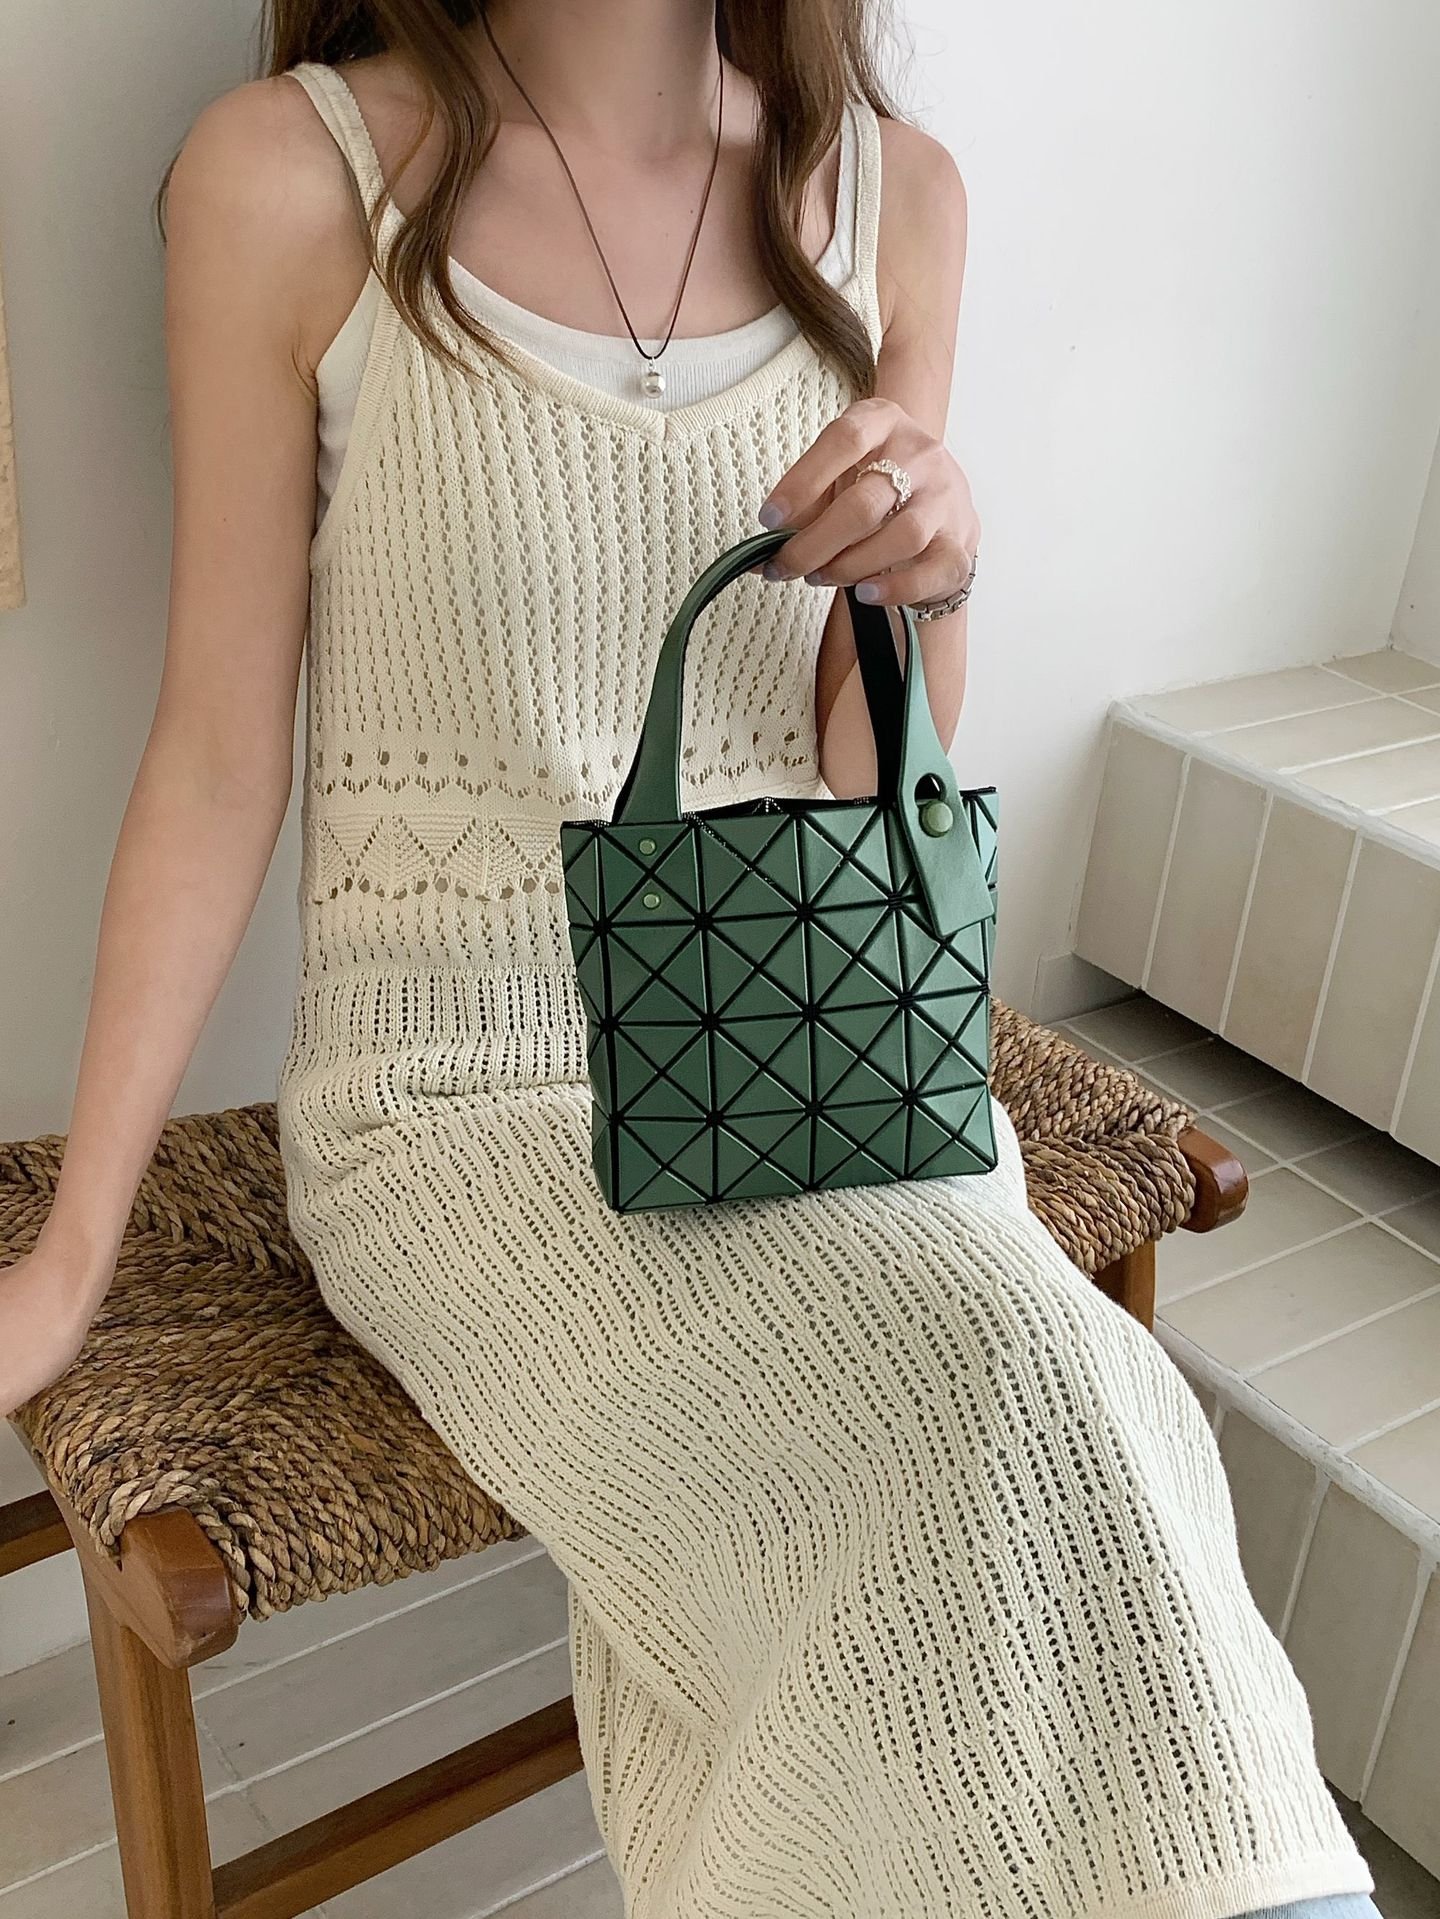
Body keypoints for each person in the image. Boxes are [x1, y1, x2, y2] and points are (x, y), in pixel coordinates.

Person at [0, 4, 1384, 1916]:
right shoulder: (292, 180)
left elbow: (860, 774)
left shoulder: (895, 203)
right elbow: (219, 757)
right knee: (978, 1425)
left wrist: (936, 573)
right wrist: (74, 1254)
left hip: (811, 1042)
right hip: (457, 1102)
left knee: (1075, 1397)